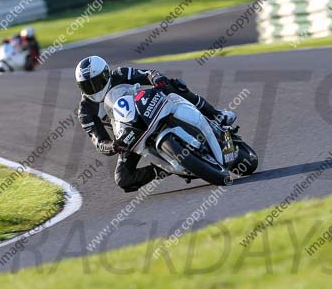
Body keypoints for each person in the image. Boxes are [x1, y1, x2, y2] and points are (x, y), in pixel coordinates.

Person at [75, 56, 236, 193]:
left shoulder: (120, 74)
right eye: (86, 85)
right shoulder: (85, 111)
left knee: (174, 85)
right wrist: (113, 146)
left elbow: (147, 74)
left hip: (148, 107)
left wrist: (156, 79)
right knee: (123, 179)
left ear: (106, 74)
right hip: (128, 135)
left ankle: (216, 114)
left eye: (95, 82)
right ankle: (166, 167)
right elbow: (99, 142)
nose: (93, 89)